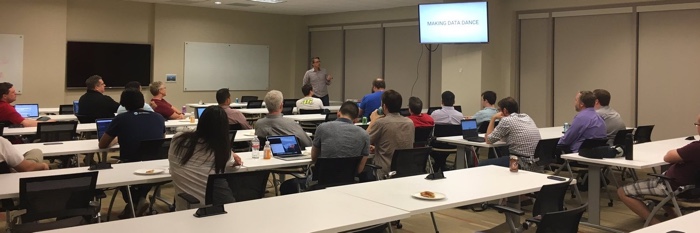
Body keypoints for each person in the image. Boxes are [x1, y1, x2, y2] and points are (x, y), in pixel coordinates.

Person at [618, 114, 700, 225]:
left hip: (677, 188)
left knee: (622, 191)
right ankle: (674, 217)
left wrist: (681, 156)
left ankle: (654, 224)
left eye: (697, 124)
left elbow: (668, 157)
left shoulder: (695, 148)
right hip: (693, 190)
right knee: (664, 184)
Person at [98, 89, 166, 218]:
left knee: (117, 170)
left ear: (123, 104)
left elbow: (103, 144)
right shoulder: (158, 117)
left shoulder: (121, 118)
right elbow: (160, 139)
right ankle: (139, 200)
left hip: (129, 164)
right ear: (143, 102)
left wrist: (117, 138)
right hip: (155, 165)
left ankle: (133, 203)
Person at [280, 101, 370, 194]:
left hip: (321, 182)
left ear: (338, 113)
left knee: (286, 186)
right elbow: (359, 169)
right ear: (355, 120)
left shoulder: (322, 128)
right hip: (348, 185)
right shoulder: (364, 135)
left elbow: (314, 157)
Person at [169, 106, 243, 210]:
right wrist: (231, 153)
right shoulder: (221, 151)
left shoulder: (177, 140)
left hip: (186, 208)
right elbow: (230, 167)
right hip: (217, 209)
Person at [479, 97, 542, 172]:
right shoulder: (526, 117)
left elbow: (488, 140)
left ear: (504, 110)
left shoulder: (506, 120)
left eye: (499, 110)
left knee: (482, 164)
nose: (498, 112)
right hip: (537, 164)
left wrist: (493, 118)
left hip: (521, 163)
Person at [364, 90, 414, 179]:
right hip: (404, 171)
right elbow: (399, 145)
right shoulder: (409, 123)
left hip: (384, 172)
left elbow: (363, 141)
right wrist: (379, 148)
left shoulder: (381, 123)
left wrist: (373, 121)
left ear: (384, 106)